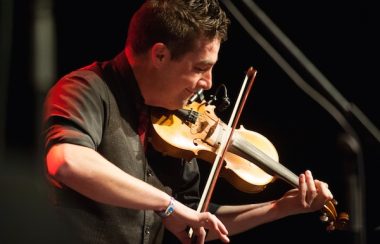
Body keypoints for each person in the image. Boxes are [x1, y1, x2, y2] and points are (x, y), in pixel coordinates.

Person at [42, 0, 334, 243]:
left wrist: (279, 208)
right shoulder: (86, 88)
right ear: (160, 54)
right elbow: (67, 161)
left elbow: (195, 219)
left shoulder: (176, 125)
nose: (208, 83)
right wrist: (166, 204)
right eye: (200, 68)